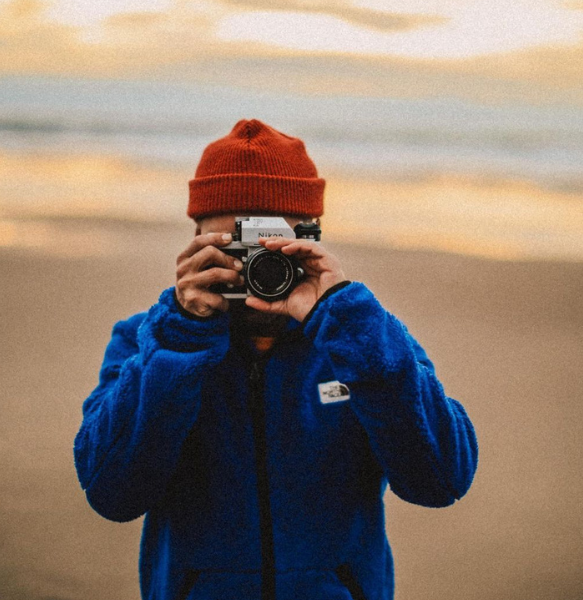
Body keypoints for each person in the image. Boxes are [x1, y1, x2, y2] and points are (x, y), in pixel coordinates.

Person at [74, 119, 478, 600]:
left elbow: (440, 481)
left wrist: (349, 324)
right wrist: (183, 339)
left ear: (310, 240)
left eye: (268, 250)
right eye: (233, 249)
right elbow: (112, 494)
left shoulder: (363, 340)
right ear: (196, 238)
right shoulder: (149, 341)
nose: (254, 270)